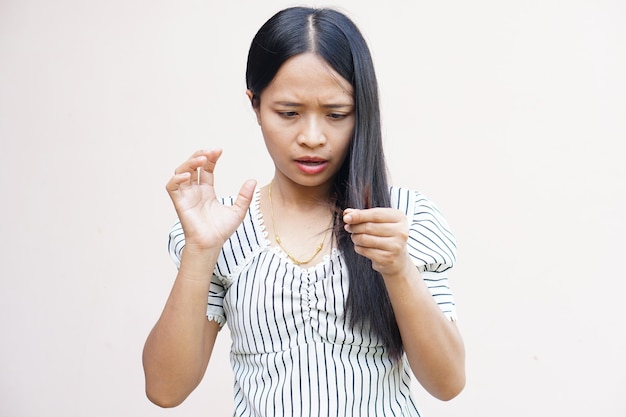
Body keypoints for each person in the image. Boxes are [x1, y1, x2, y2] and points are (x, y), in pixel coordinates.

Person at [143, 6, 465, 416]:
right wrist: (201, 249)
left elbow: (448, 382)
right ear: (255, 106)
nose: (312, 137)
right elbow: (164, 389)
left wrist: (399, 268)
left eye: (336, 114)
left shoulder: (402, 219)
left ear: (362, 111)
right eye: (289, 113)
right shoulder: (222, 228)